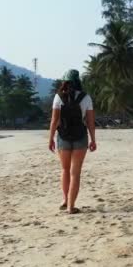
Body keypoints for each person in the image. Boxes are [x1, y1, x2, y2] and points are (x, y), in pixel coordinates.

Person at [48, 69, 96, 214]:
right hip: (80, 137)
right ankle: (70, 206)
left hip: (63, 136)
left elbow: (54, 121)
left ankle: (65, 199)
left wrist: (50, 139)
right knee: (75, 173)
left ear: (65, 81)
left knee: (65, 170)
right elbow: (90, 121)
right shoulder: (86, 98)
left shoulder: (58, 97)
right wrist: (93, 139)